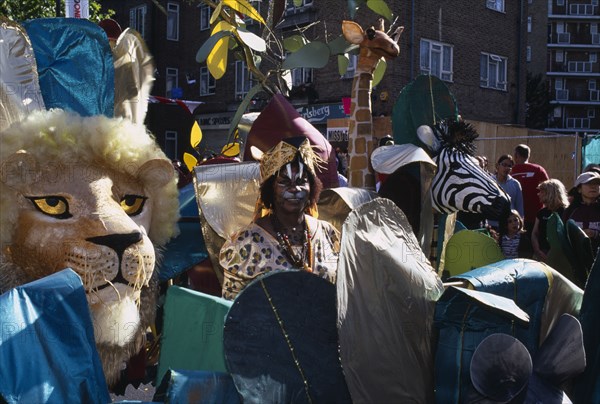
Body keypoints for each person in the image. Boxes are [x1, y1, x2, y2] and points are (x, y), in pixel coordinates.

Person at [219, 136, 340, 300]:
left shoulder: (329, 234)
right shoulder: (245, 243)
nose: (294, 189)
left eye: (301, 181)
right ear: (270, 189)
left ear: (312, 188)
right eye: (284, 182)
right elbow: (233, 309)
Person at [511, 144, 549, 234]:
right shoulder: (538, 170)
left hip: (514, 218)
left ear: (516, 155)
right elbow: (548, 190)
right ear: (528, 155)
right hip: (535, 215)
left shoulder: (510, 170)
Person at [562, 171, 600, 255]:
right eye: (588, 183)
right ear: (579, 189)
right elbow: (562, 237)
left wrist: (595, 234)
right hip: (576, 259)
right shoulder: (570, 211)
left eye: (597, 184)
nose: (593, 186)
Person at [531, 179, 569, 262]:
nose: (538, 194)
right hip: (542, 254)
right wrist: (538, 251)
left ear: (550, 193)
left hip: (560, 257)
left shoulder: (566, 212)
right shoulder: (541, 213)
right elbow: (535, 233)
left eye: (541, 192)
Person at [488, 154, 524, 230]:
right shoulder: (489, 182)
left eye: (509, 166)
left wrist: (520, 224)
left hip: (509, 226)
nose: (507, 168)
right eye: (504, 165)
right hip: (491, 224)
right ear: (497, 166)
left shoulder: (515, 184)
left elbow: (519, 206)